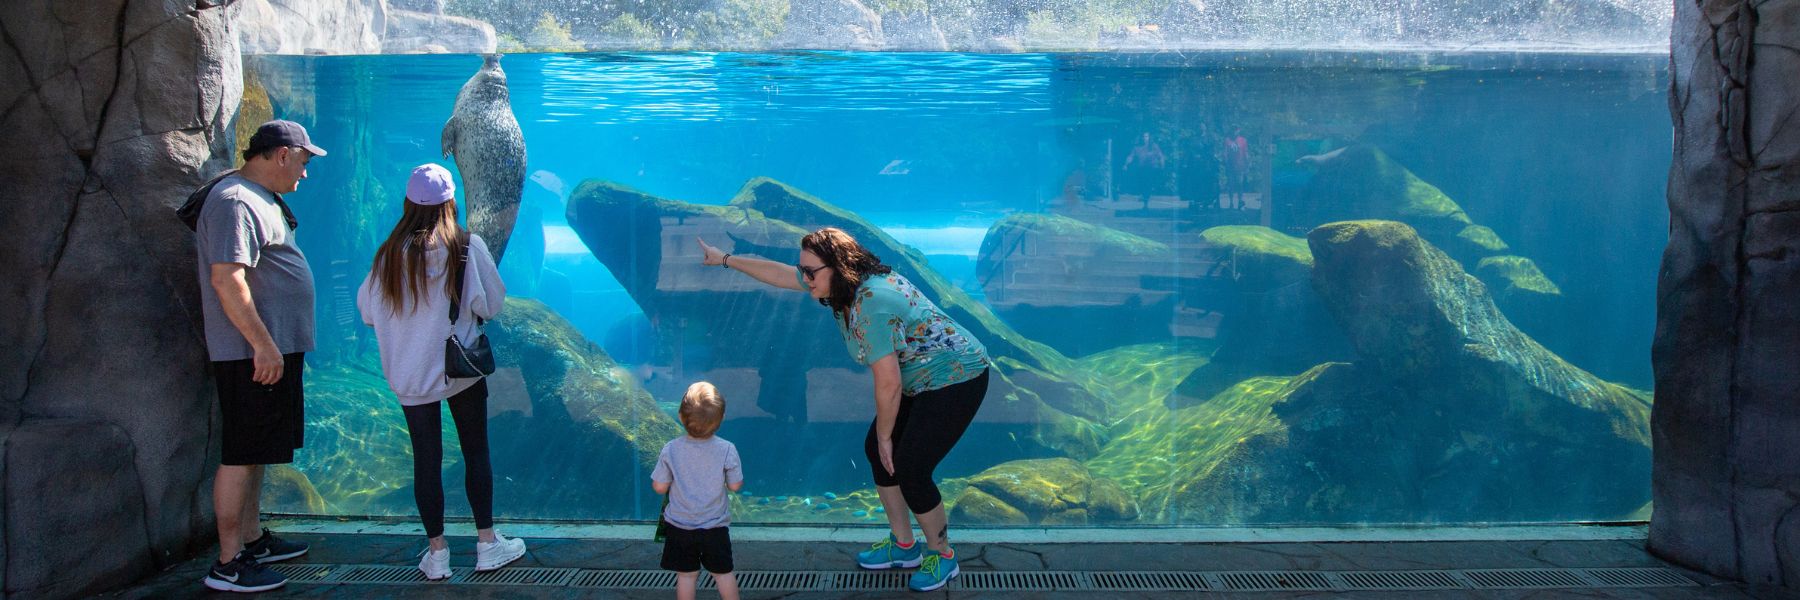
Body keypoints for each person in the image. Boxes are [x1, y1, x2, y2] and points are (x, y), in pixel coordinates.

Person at [695, 228, 991, 592]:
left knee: (911, 467)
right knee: (878, 453)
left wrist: (886, 435)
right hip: (919, 375)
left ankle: (943, 556)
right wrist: (724, 259)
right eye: (802, 269)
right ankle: (904, 546)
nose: (803, 278)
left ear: (837, 266)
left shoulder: (871, 302)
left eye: (810, 272)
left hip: (957, 376)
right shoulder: (838, 282)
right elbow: (779, 274)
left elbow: (889, 383)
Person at [356, 163, 526, 581]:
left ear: (408, 205)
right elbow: (493, 305)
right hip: (460, 372)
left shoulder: (387, 256)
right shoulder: (468, 248)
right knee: (475, 453)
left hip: (411, 377)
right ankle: (487, 544)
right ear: (452, 202)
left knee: (426, 462)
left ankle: (437, 554)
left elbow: (366, 311)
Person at [194, 120, 323, 593]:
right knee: (241, 453)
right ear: (282, 153)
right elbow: (228, 279)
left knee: (258, 450)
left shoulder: (257, 197)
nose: (305, 174)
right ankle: (228, 564)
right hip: (251, 353)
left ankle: (250, 540)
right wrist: (263, 345)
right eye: (304, 162)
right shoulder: (234, 202)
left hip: (270, 350)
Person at [652, 382, 744, 600]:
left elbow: (659, 487)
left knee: (686, 575)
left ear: (681, 417)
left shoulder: (671, 449)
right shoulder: (727, 449)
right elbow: (735, 485)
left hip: (680, 527)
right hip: (715, 527)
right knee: (723, 574)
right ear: (720, 420)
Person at [1123, 131, 1166, 208]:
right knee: (1142, 184)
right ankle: (1145, 198)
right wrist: (1126, 164)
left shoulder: (1154, 146)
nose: (1144, 138)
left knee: (1148, 184)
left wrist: (1162, 165)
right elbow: (1131, 156)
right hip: (1141, 169)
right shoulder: (1136, 147)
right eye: (1143, 136)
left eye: (1146, 136)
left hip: (1152, 168)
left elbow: (1160, 156)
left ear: (1149, 137)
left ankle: (1146, 201)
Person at [1225, 127, 1251, 209]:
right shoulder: (1227, 140)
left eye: (1236, 129)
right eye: (1233, 129)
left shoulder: (1243, 140)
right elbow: (1225, 153)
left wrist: (1247, 164)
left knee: (1240, 184)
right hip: (1230, 166)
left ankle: (1240, 201)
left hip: (1240, 166)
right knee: (1231, 184)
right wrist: (1226, 162)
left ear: (1239, 130)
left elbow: (1245, 152)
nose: (1235, 131)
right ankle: (1231, 202)